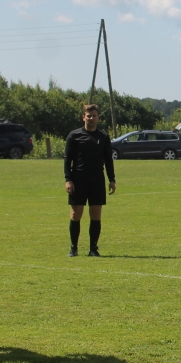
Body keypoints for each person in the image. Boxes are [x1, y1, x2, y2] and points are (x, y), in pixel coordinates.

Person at [64, 104, 116, 257]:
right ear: (83, 117)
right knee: (75, 214)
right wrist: (68, 179)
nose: (91, 118)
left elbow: (108, 160)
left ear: (98, 118)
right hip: (78, 179)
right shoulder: (74, 136)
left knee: (96, 214)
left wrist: (112, 179)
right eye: (89, 116)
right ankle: (73, 248)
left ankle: (93, 248)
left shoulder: (103, 137)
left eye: (94, 116)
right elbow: (67, 159)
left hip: (97, 180)